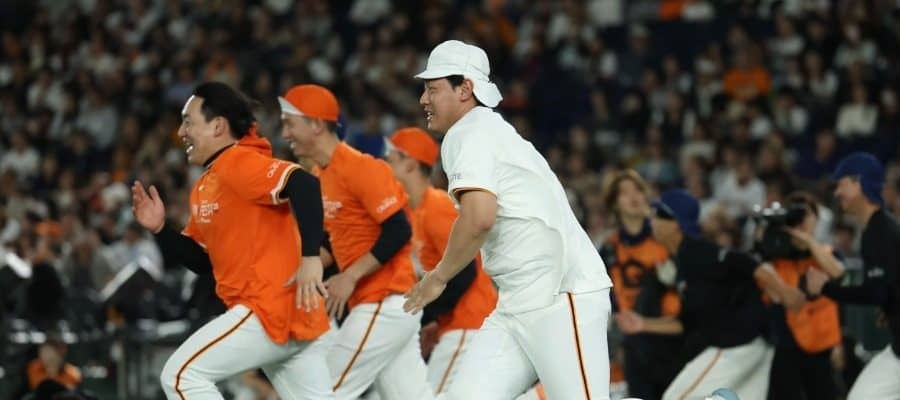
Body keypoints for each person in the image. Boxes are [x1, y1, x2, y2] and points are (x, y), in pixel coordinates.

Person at [403, 39, 613, 400]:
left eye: (432, 89)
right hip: (517, 304)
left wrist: (438, 277)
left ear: (465, 89)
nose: (424, 99)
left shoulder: (469, 132)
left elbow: (479, 218)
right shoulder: (483, 130)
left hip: (561, 296)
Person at [131, 82, 333, 399]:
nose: (181, 132)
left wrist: (310, 258)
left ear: (217, 126)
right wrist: (161, 230)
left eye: (188, 122)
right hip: (292, 315)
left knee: (182, 376)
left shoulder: (238, 162)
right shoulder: (209, 183)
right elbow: (202, 261)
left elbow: (304, 183)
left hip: (266, 310)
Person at [278, 84, 433, 400]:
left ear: (316, 125)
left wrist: (349, 276)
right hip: (386, 306)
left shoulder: (361, 167)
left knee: (321, 393)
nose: (284, 134)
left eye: (290, 124)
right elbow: (333, 242)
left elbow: (398, 230)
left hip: (384, 301)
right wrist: (293, 275)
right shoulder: (322, 176)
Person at [616, 189, 806, 400]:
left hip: (738, 344)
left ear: (676, 223)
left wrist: (784, 290)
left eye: (659, 214)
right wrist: (643, 324)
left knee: (675, 397)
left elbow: (744, 262)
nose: (652, 220)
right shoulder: (682, 260)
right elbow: (685, 323)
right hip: (745, 346)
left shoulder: (697, 252)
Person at [385, 127, 498, 394]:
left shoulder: (437, 206)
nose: (384, 166)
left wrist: (430, 316)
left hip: (468, 321)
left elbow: (465, 269)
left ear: (410, 164)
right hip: (454, 326)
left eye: (390, 160)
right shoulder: (413, 212)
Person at [806, 152, 900, 399]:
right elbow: (886, 288)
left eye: (842, 184)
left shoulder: (880, 231)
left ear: (859, 183)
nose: (837, 193)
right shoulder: (880, 227)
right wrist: (889, 306)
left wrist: (825, 288)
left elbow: (875, 292)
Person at [600, 170, 682, 399]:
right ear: (615, 204)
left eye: (637, 190)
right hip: (633, 344)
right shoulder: (609, 248)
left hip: (670, 335)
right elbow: (607, 297)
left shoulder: (665, 238)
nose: (633, 196)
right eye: (624, 192)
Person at [762, 192, 844, 400]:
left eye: (805, 215)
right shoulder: (776, 256)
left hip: (821, 345)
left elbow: (837, 272)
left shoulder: (825, 253)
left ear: (816, 219)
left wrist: (808, 241)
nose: (800, 222)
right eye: (795, 215)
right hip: (786, 344)